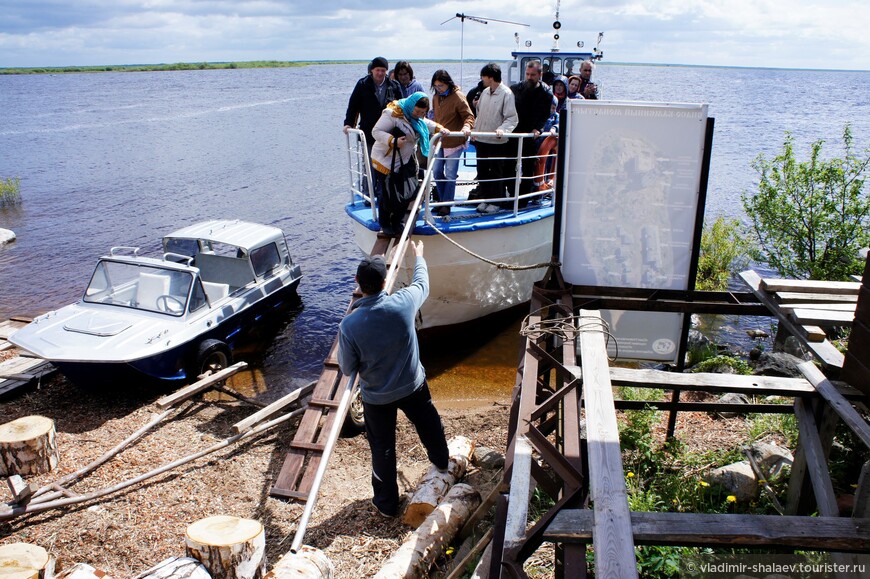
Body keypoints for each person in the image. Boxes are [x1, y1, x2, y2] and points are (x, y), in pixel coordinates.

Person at [337, 242, 450, 519]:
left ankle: (387, 504)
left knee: (382, 447)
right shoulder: (403, 303)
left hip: (377, 397)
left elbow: (347, 367)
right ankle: (442, 463)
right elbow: (421, 282)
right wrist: (419, 255)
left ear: (357, 283)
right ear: (385, 281)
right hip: (413, 385)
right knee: (428, 423)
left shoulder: (349, 325)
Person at [370, 92, 448, 235]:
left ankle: (398, 221)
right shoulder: (393, 113)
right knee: (387, 193)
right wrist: (392, 141)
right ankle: (386, 224)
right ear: (411, 106)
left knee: (408, 191)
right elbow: (376, 131)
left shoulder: (417, 119)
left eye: (423, 112)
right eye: (417, 111)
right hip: (385, 160)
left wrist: (439, 128)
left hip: (405, 160)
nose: (419, 115)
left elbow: (425, 123)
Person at [343, 57, 403, 204]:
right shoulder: (363, 84)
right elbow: (353, 106)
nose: (380, 73)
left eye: (383, 70)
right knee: (370, 164)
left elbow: (402, 107)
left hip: (388, 134)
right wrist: (348, 123)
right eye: (378, 70)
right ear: (372, 70)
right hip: (369, 133)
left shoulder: (393, 85)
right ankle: (369, 194)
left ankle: (384, 195)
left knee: (386, 164)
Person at [506, 60, 553, 209]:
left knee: (527, 167)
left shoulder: (546, 94)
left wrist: (538, 128)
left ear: (540, 74)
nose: (529, 77)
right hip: (514, 132)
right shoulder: (516, 89)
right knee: (508, 165)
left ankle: (523, 200)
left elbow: (545, 114)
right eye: (527, 74)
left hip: (530, 135)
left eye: (533, 75)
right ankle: (511, 195)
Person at [471, 63, 518, 214]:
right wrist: (475, 131)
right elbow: (480, 114)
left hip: (497, 141)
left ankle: (496, 202)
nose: (482, 79)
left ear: (491, 77)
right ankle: (485, 198)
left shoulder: (506, 93)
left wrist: (502, 130)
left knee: (496, 171)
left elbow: (511, 118)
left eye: (483, 76)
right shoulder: (485, 92)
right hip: (482, 139)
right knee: (482, 171)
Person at [430, 70, 474, 216]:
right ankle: (443, 200)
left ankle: (446, 204)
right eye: (436, 86)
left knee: (450, 173)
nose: (438, 88)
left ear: (448, 83)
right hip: (440, 140)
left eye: (441, 85)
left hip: (454, 140)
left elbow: (469, 116)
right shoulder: (436, 97)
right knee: (436, 171)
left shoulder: (458, 97)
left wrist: (466, 127)